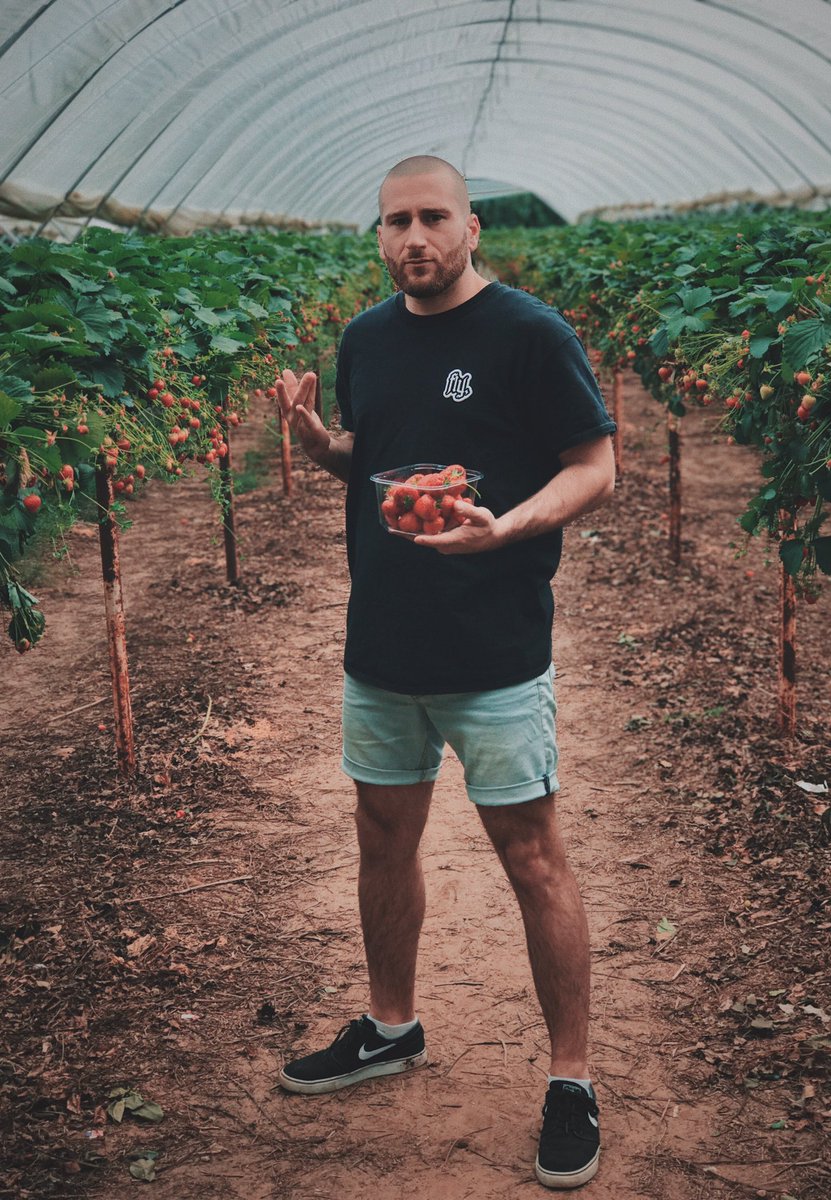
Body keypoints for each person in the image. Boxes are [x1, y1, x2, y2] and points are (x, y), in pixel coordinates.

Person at [275, 155, 616, 1190]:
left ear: (472, 226)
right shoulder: (365, 338)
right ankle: (391, 1026)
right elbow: (377, 451)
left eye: (431, 218)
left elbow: (597, 464)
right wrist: (315, 442)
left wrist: (504, 528)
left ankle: (571, 1079)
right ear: (377, 237)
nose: (412, 239)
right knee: (384, 838)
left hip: (494, 646)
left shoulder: (527, 334)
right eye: (393, 223)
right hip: (381, 643)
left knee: (530, 854)